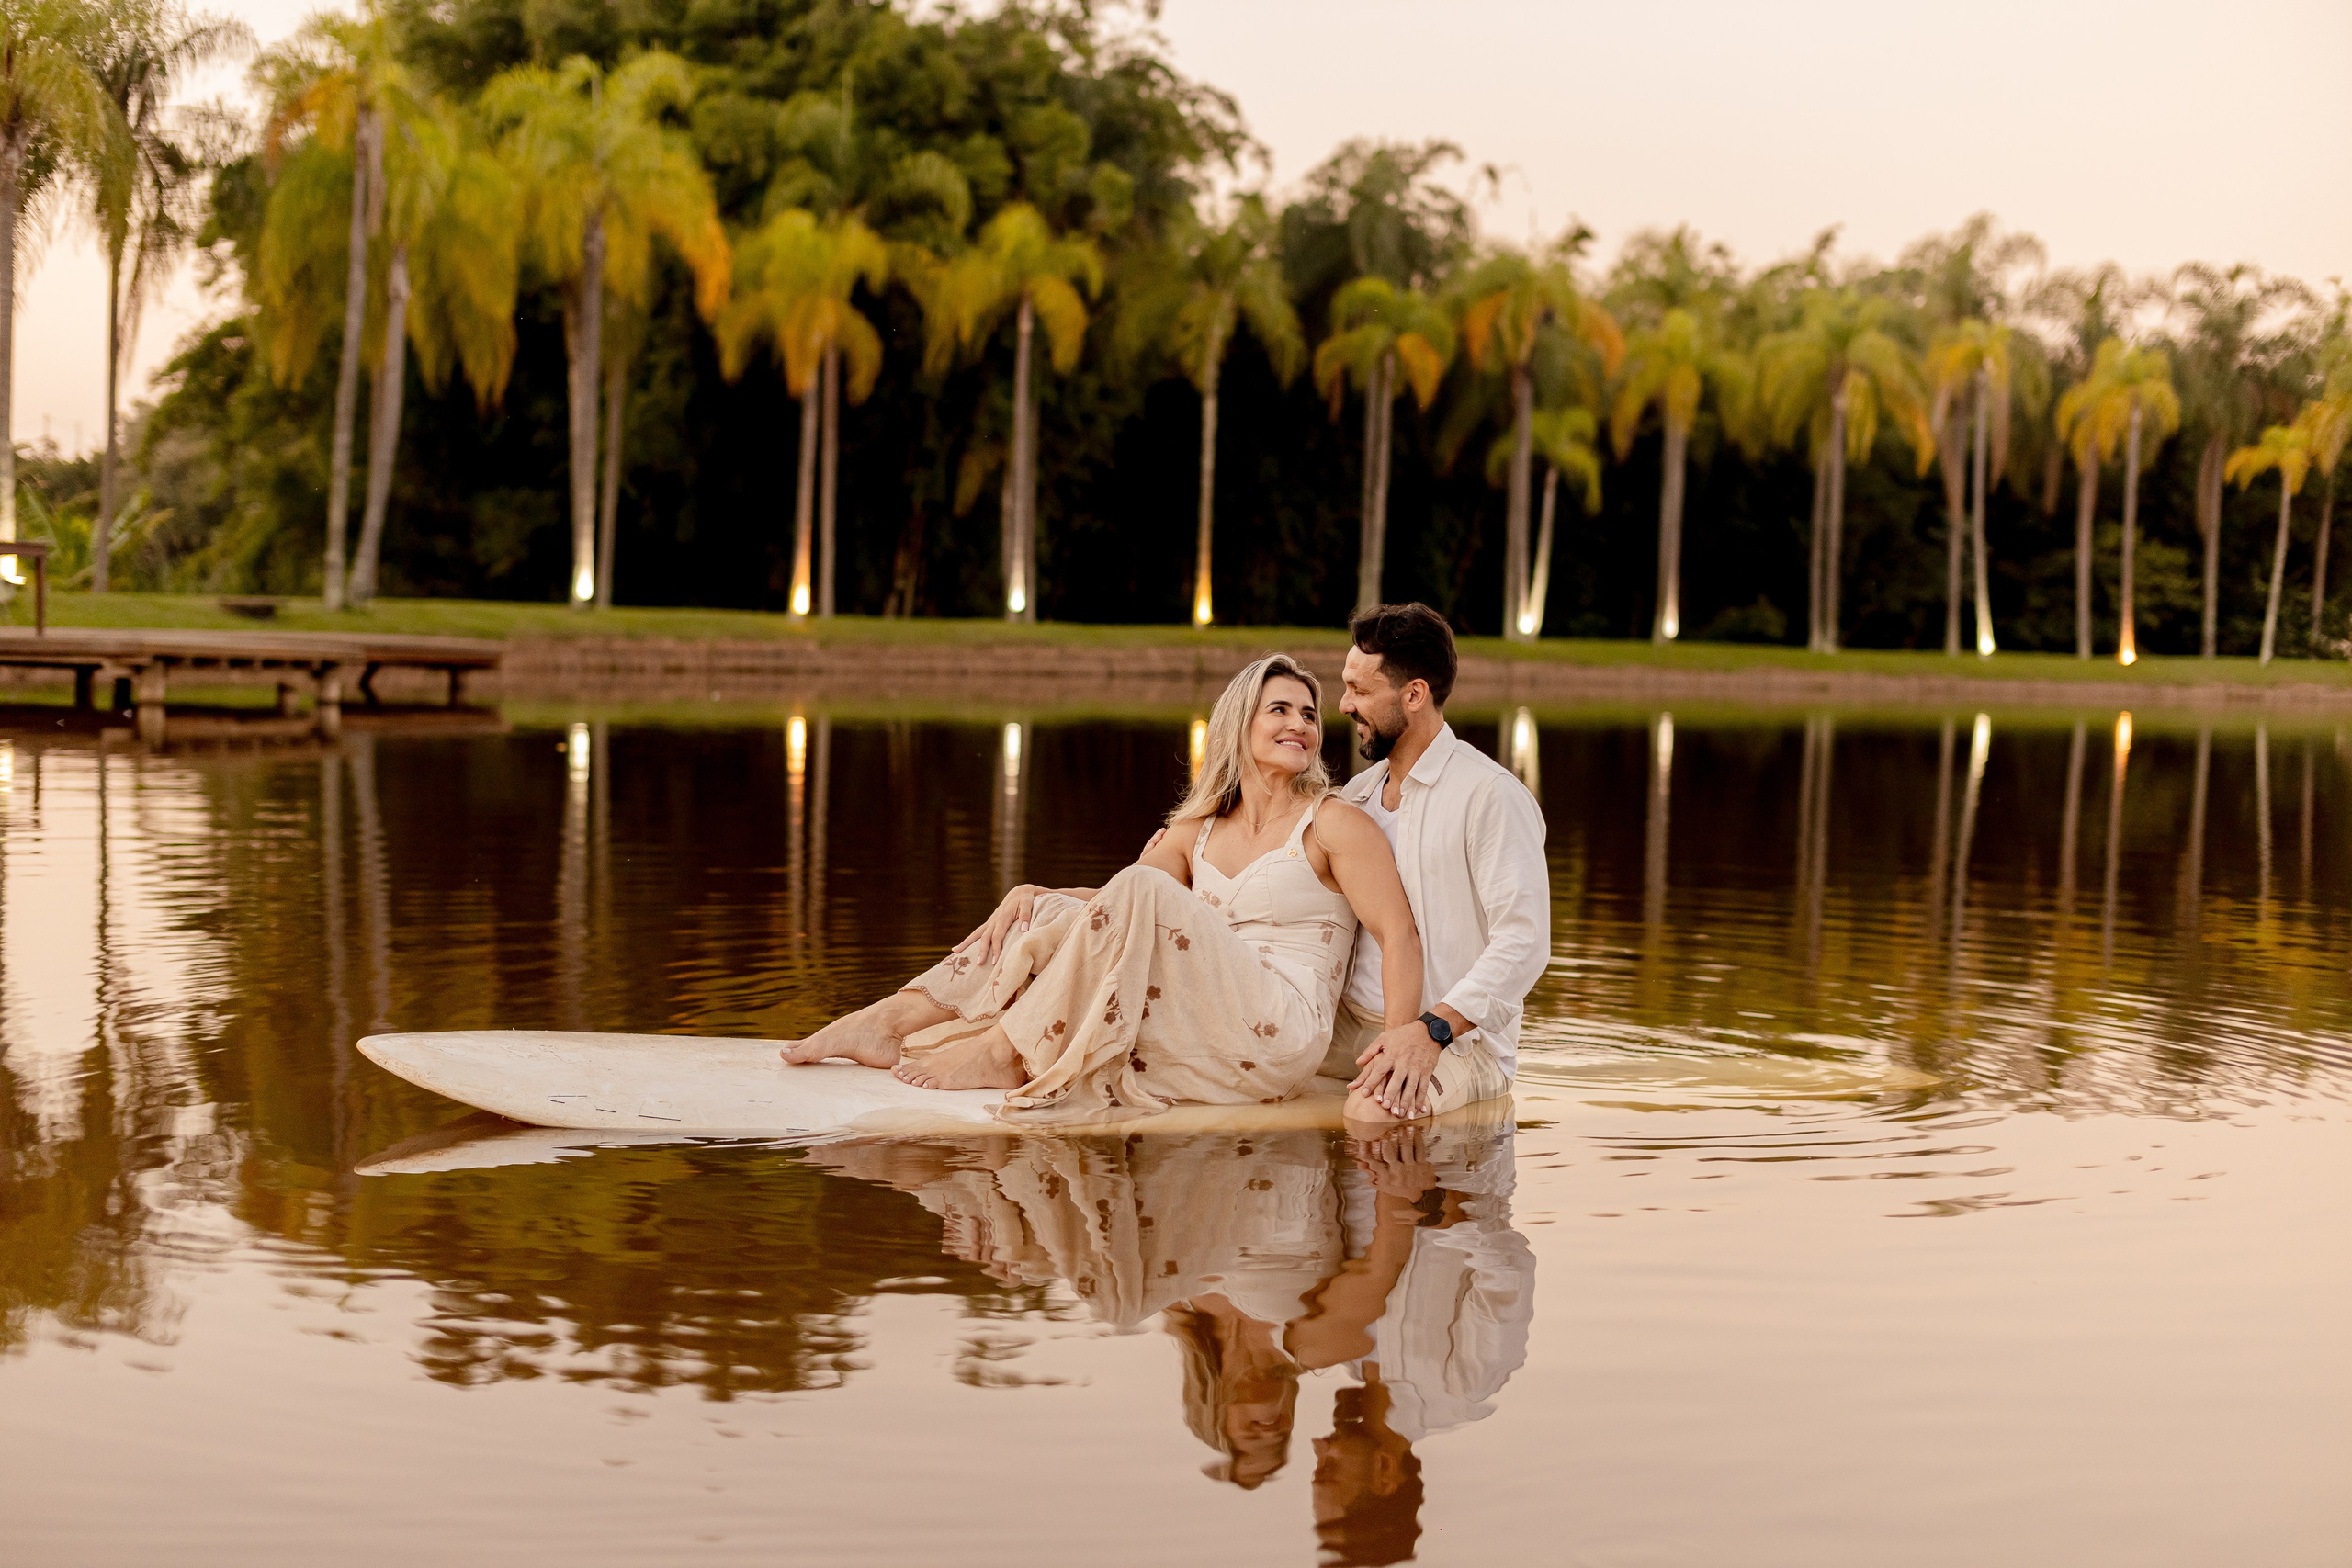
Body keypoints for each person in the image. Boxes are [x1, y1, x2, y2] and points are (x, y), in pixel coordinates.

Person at [779, 654, 1430, 1126]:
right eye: (1280, 709)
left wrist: (1399, 1049)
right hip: (1203, 1010)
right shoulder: (1198, 830)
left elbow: (1398, 933)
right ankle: (895, 1020)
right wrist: (1033, 892)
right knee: (1054, 908)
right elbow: (1113, 913)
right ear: (1240, 725)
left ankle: (1009, 1051)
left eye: (1310, 714)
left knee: (1142, 889)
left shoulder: (1334, 821)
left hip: (1280, 1029)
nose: (1301, 724)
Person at [1328, 603, 1551, 1122]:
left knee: (1373, 1115)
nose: (1343, 705)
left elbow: (1524, 942)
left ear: (1414, 695)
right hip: (1348, 1024)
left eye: (1360, 691)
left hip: (1456, 1041)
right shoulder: (1357, 797)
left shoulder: (1490, 795)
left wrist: (1433, 1029)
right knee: (1227, 1070)